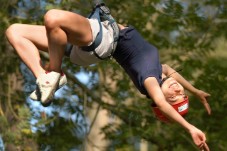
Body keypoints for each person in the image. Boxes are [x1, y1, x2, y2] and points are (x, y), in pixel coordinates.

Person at [5, 4, 211, 151]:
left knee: (53, 18)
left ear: (162, 100)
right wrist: (194, 91)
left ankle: (55, 73)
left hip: (101, 39)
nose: (178, 90)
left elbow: (159, 101)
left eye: (174, 97)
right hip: (86, 48)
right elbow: (169, 69)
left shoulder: (149, 80)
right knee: (15, 32)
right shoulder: (159, 71)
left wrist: (190, 128)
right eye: (181, 92)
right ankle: (45, 76)